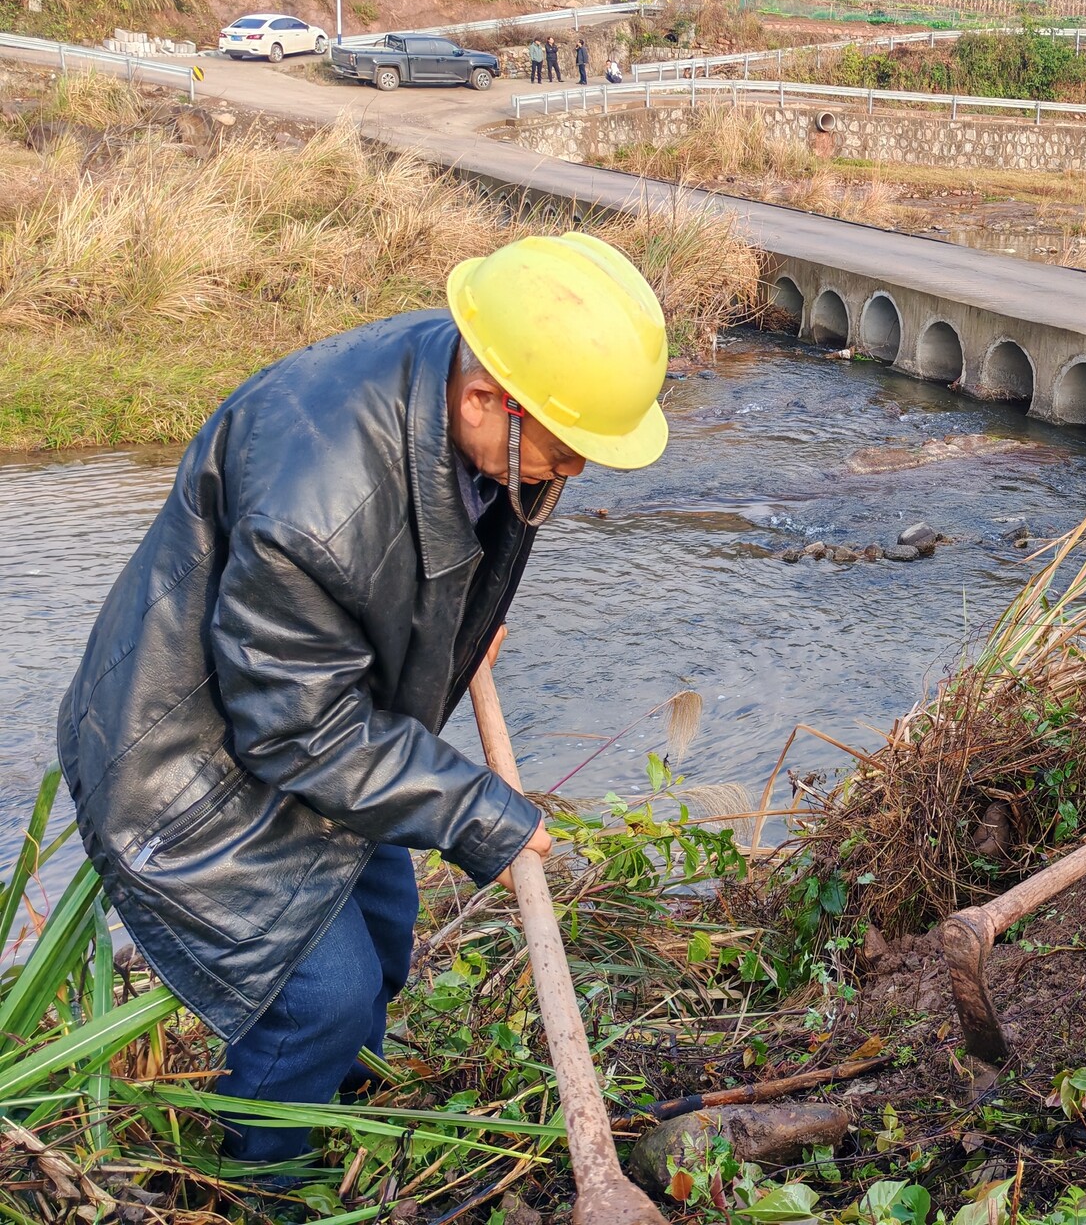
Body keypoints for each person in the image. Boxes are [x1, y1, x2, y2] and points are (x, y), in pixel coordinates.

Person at [57, 233, 673, 1165]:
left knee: (386, 936)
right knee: (325, 994)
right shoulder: (315, 512)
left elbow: (411, 563)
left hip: (320, 711)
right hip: (190, 760)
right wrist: (480, 814)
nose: (574, 474)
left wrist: (460, 630)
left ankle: (348, 1120)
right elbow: (297, 729)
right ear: (484, 402)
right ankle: (264, 1179)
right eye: (568, 451)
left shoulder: (471, 370)